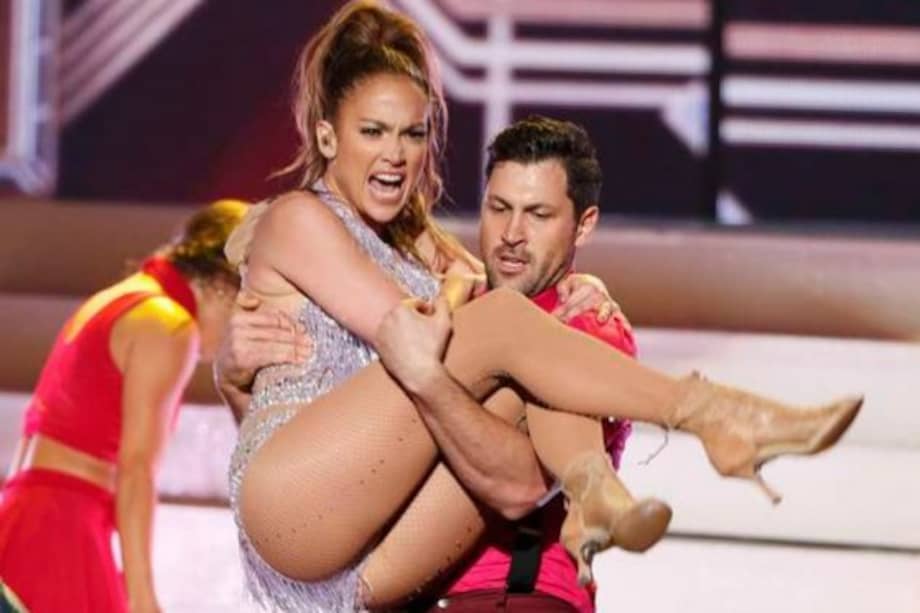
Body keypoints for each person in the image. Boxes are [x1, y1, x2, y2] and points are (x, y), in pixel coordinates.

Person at [222, 2, 861, 611]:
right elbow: (416, 335)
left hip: (371, 565)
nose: (396, 154)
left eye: (413, 134)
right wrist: (478, 293)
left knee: (531, 396)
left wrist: (572, 299)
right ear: (328, 137)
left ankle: (591, 490)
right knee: (500, 327)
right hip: (293, 500)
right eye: (373, 132)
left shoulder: (422, 247)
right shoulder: (299, 218)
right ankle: (714, 414)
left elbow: (498, 335)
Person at [220, 115, 647, 612]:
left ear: (583, 224)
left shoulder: (588, 325)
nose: (512, 233)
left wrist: (428, 380)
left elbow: (519, 485)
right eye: (499, 208)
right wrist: (235, 382)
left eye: (538, 215)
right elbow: (331, 476)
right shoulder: (447, 315)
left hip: (512, 597)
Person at [0, 200, 247, 613]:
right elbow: (137, 471)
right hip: (61, 531)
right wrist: (143, 597)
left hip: (27, 517)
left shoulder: (120, 298)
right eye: (247, 305)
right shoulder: (168, 324)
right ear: (225, 284)